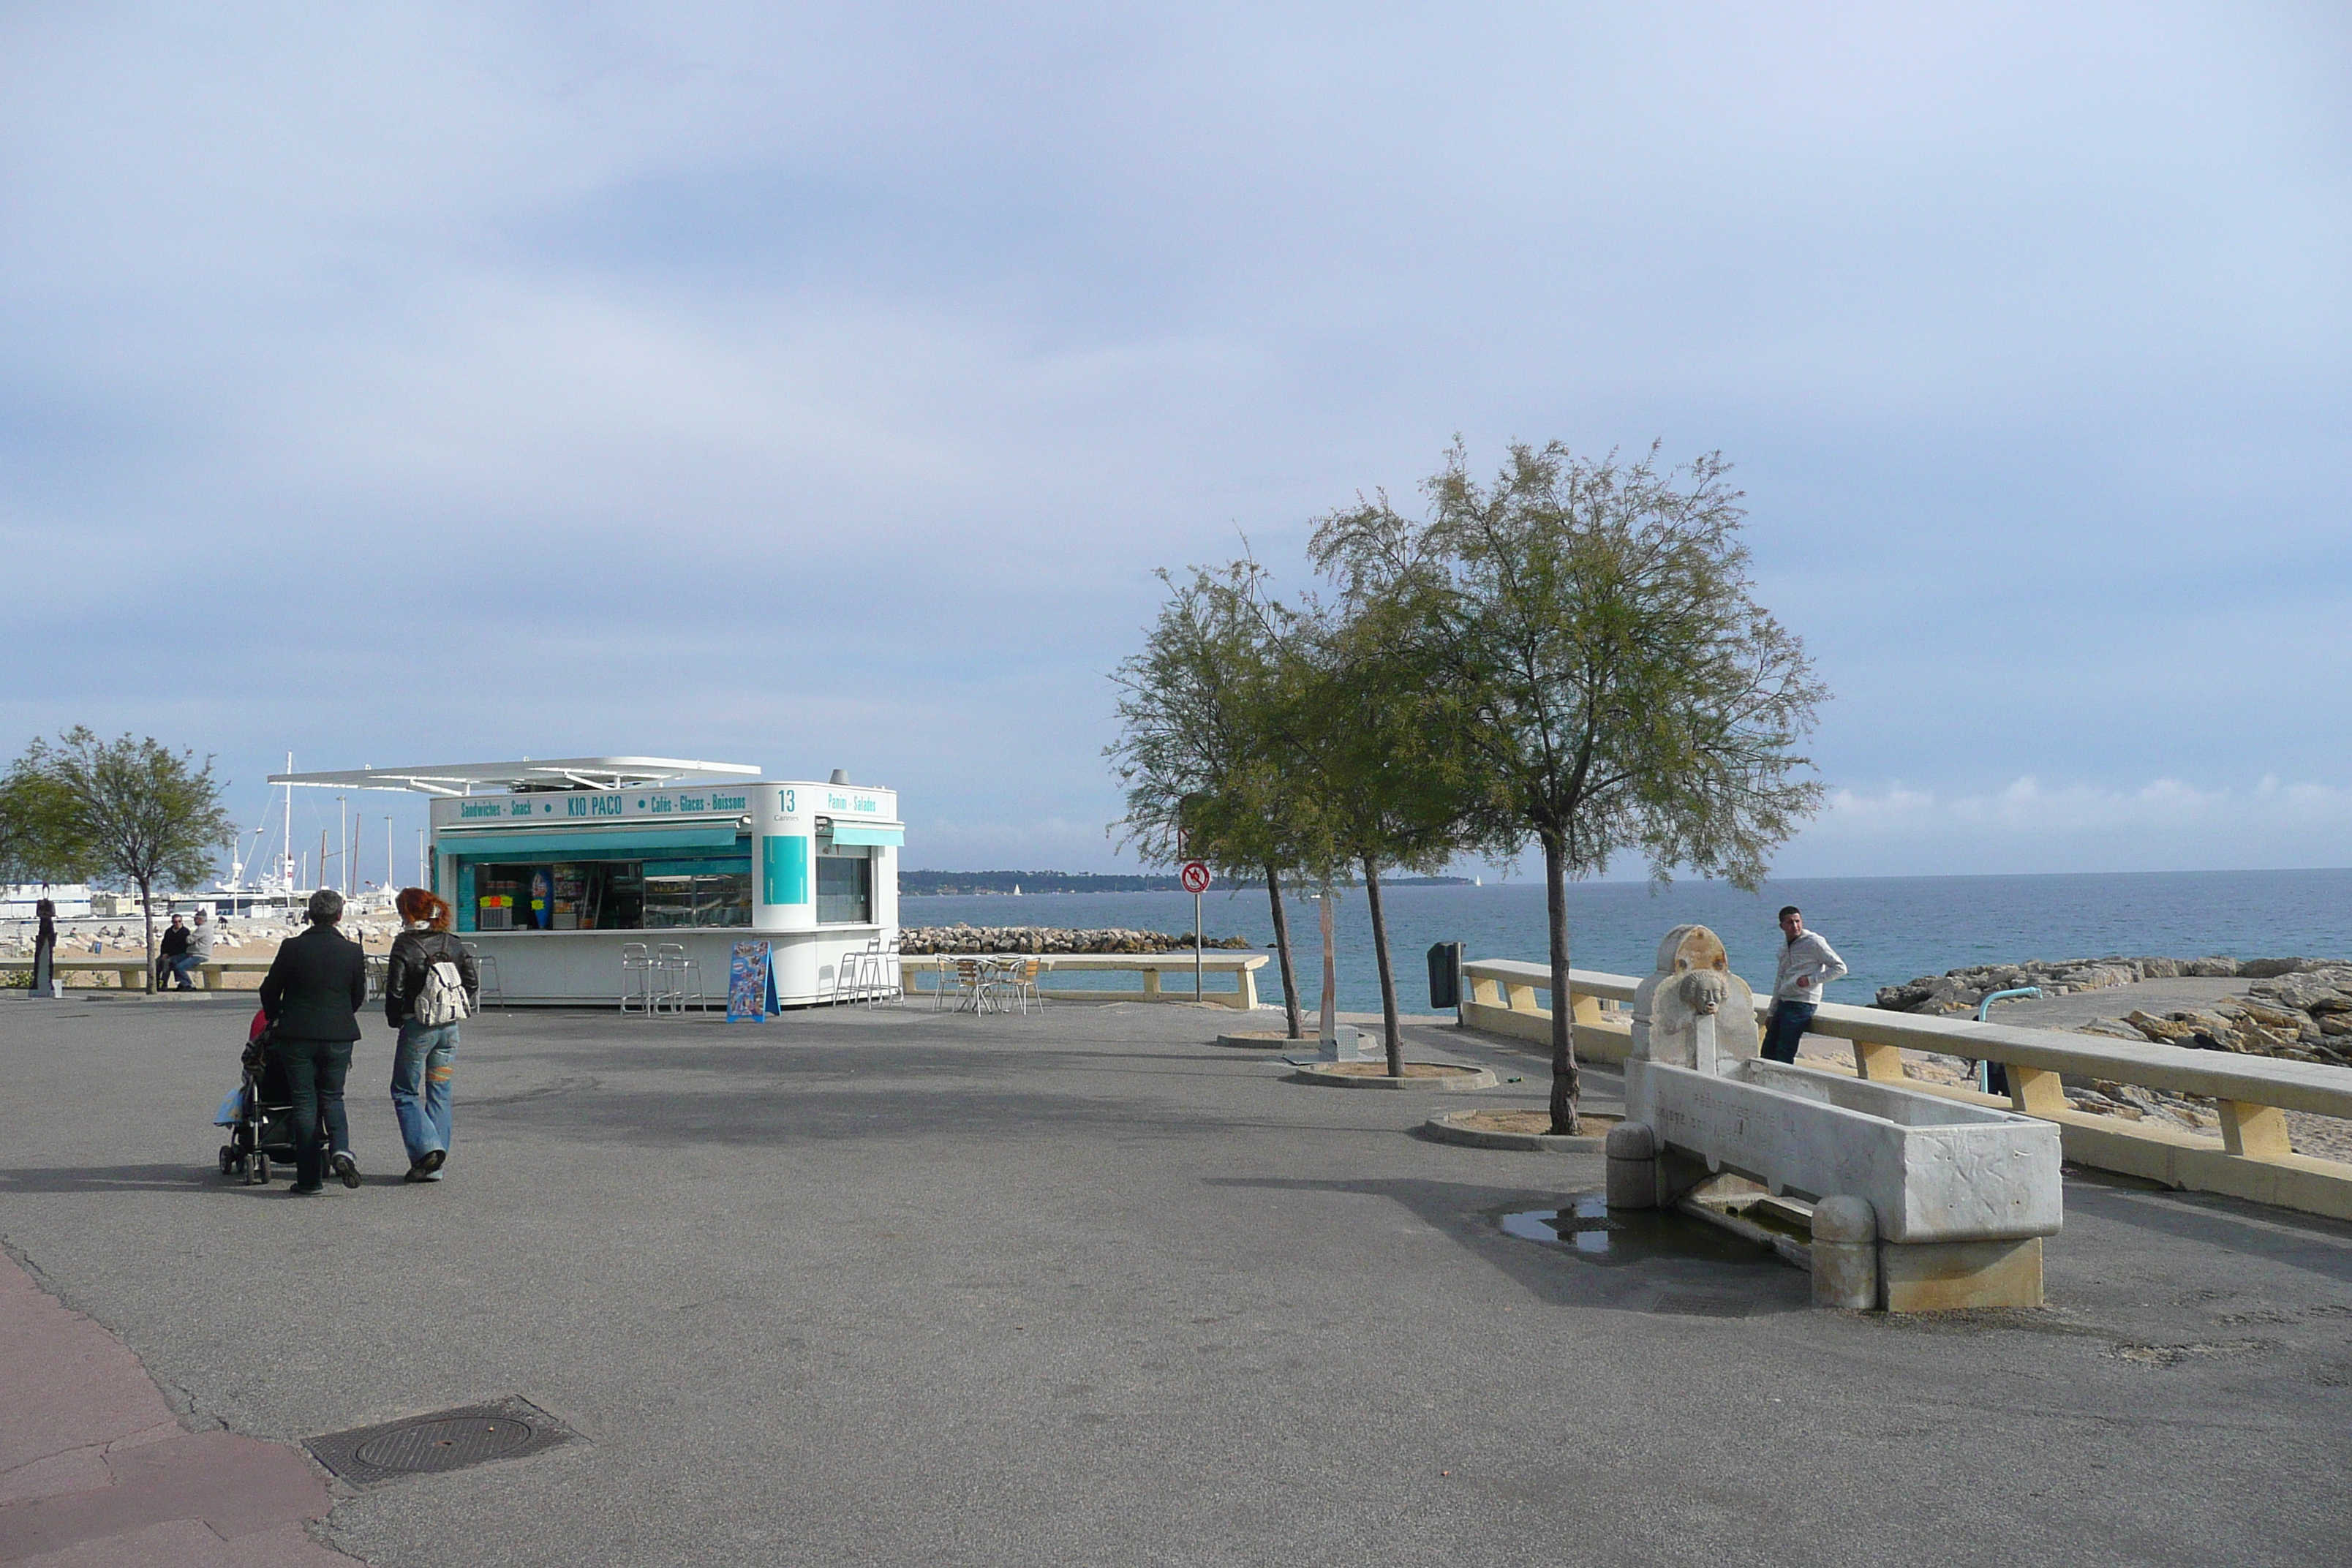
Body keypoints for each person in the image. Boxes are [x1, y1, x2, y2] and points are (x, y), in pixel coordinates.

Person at [257, 889, 369, 1194]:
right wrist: (342, 1014)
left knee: (304, 1101)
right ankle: (341, 1150)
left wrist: (276, 1015)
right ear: (339, 915)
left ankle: (309, 1179)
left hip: (297, 1034)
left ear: (309, 914)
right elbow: (357, 995)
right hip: (339, 1033)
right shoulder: (352, 952)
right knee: (333, 1096)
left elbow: (269, 989)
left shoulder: (292, 947)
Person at [382, 888, 478, 1183]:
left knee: (404, 1091)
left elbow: (395, 991)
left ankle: (427, 1150)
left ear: (408, 913)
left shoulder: (404, 945)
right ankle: (434, 1167)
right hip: (449, 1030)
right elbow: (471, 984)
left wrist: (395, 1019)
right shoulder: (453, 942)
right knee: (440, 1092)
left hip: (418, 1027)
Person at [1763, 905, 1847, 1064]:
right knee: (1768, 1050)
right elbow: (1779, 979)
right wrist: (1771, 1011)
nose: (1795, 926)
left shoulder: (1814, 942)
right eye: (1790, 922)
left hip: (1803, 1003)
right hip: (1784, 1002)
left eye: (1797, 921)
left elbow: (1840, 968)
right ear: (1782, 926)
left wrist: (1810, 980)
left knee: (1784, 1051)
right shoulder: (1783, 949)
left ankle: (1782, 1085)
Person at [176, 909, 215, 988]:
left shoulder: (202, 929)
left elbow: (189, 940)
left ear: (200, 919)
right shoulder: (207, 927)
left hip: (200, 955)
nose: (194, 921)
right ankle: (182, 983)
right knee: (173, 961)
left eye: (195, 919)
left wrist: (190, 938)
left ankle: (189, 984)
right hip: (195, 953)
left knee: (180, 967)